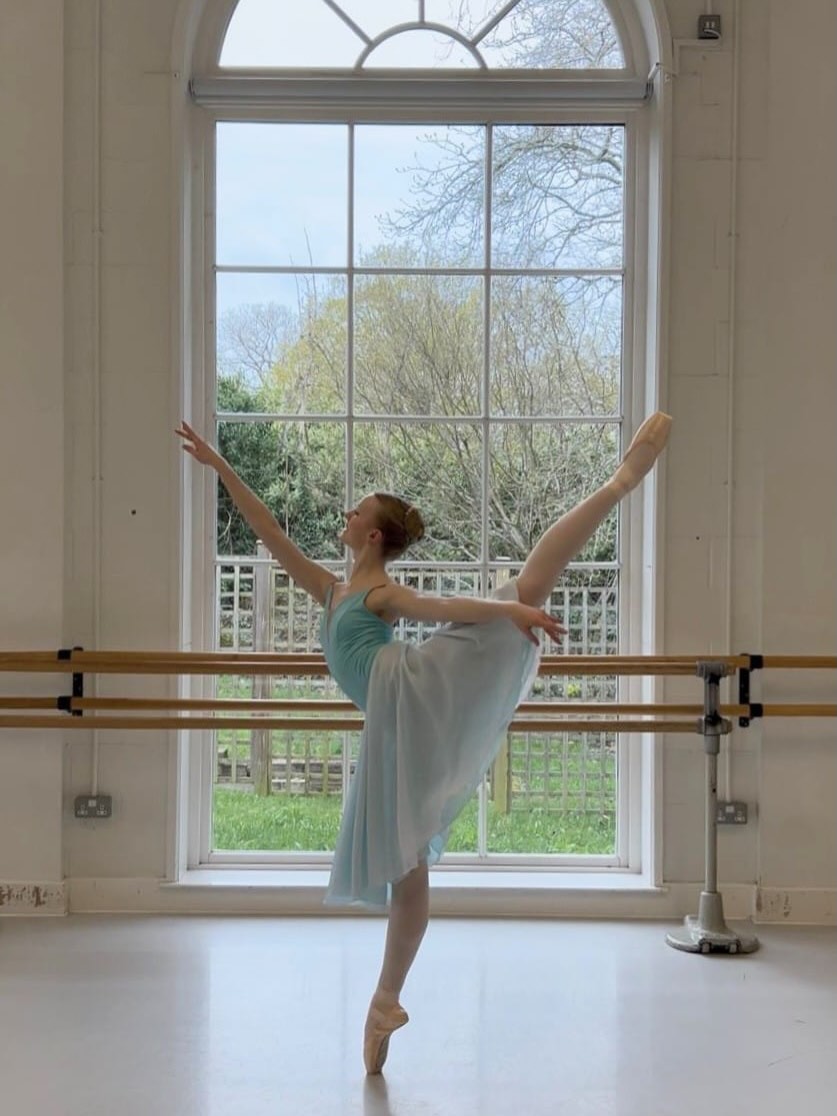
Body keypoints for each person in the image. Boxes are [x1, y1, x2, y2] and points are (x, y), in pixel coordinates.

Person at [176, 411, 671, 1074]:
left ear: (372, 534)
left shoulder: (378, 592)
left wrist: (510, 611)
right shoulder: (332, 589)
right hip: (394, 714)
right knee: (407, 865)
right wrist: (218, 464)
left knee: (528, 587)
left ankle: (619, 483)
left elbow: (441, 609)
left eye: (355, 510)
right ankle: (385, 1002)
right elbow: (266, 527)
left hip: (412, 690)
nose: (345, 514)